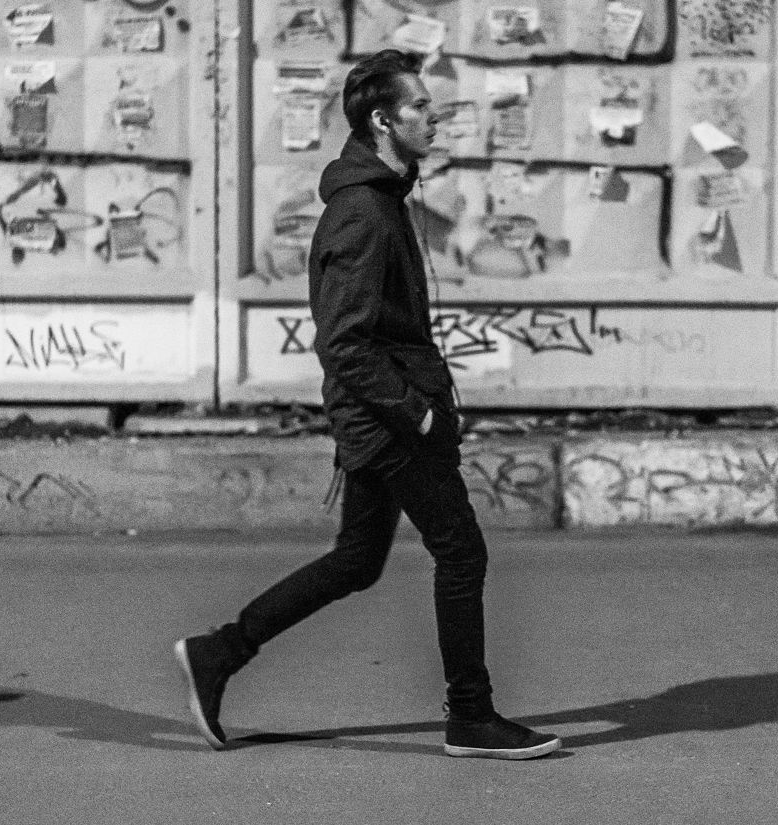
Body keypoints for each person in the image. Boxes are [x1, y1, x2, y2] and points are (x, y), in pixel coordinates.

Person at [174, 49, 559, 760]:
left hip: (383, 413)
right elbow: (343, 343)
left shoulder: (381, 199)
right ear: (383, 121)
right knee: (461, 552)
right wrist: (415, 411)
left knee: (357, 559)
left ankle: (218, 652)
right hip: (389, 421)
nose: (434, 119)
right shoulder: (363, 213)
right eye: (419, 108)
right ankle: (471, 716)